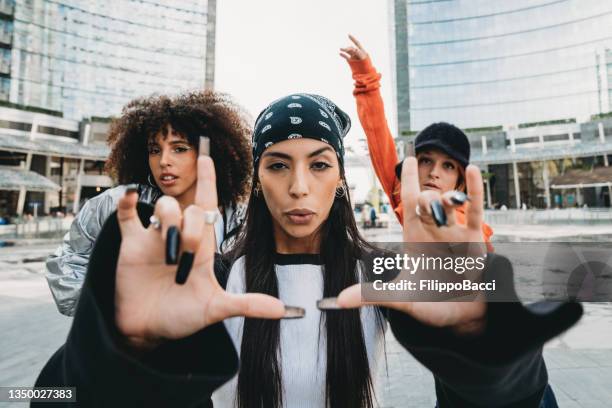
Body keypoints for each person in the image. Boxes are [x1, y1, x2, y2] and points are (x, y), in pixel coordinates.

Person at [34, 93, 582, 408]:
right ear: (256, 176)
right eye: (277, 164)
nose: (299, 187)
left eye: (319, 164)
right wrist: (117, 353)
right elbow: (46, 399)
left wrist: (486, 353)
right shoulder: (211, 280)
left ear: (341, 177)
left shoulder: (386, 274)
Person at [45, 90, 253, 316]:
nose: (164, 161)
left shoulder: (241, 220)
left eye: (179, 149)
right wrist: (115, 310)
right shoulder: (119, 204)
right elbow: (65, 266)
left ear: (212, 154)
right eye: (155, 150)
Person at [340, 35, 494, 249]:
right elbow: (378, 133)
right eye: (425, 161)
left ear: (460, 181)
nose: (434, 172)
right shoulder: (404, 196)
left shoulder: (466, 227)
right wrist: (365, 75)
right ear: (411, 168)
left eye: (448, 165)